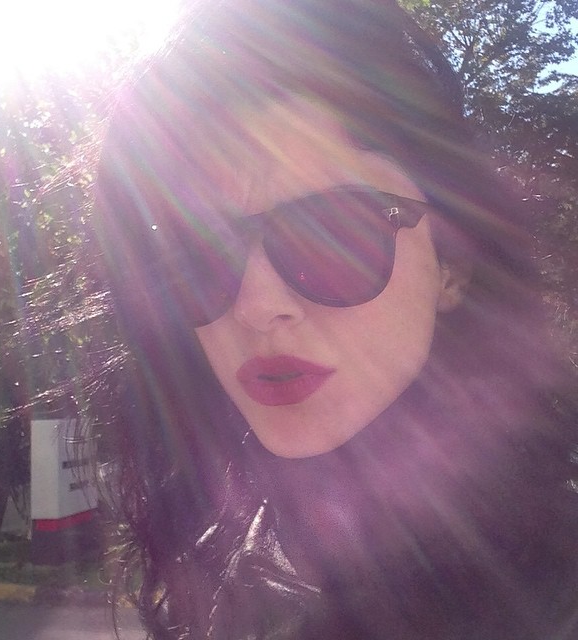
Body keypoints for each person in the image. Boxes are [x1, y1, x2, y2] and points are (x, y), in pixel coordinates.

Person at [87, 0, 578, 637]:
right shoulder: (217, 566)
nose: (257, 306)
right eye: (199, 258)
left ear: (452, 266)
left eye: (333, 235)